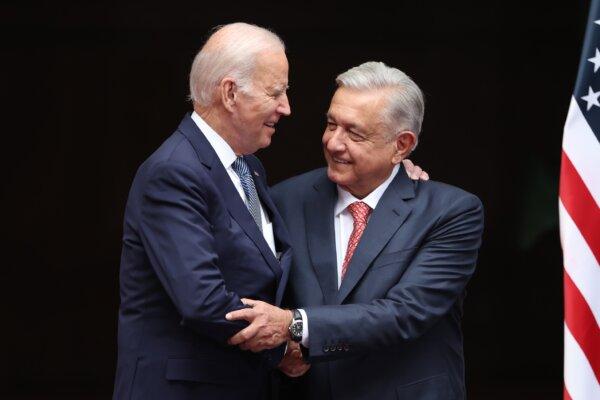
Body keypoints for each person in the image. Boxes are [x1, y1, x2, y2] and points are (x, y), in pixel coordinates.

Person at [226, 61, 484, 400]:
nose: (333, 143)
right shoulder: (285, 201)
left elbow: (405, 313)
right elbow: (256, 293)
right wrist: (279, 353)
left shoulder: (449, 212)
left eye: (355, 133)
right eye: (331, 124)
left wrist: (295, 324)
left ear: (402, 146)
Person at [112, 23, 295, 400]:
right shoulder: (174, 171)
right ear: (230, 93)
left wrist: (395, 175)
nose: (286, 108)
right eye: (275, 92)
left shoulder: (249, 168)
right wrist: (284, 346)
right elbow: (204, 301)